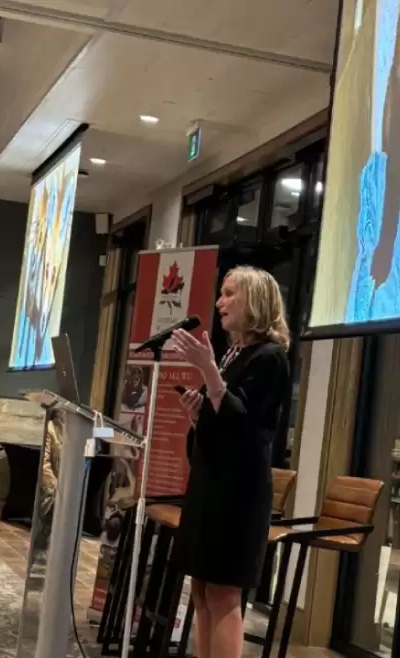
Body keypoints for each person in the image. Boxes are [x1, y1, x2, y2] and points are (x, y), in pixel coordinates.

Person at [171, 265, 291, 658]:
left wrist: (208, 370)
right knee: (202, 592)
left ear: (254, 300)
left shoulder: (271, 358)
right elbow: (222, 424)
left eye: (229, 293)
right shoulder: (232, 354)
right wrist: (197, 416)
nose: (219, 302)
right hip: (211, 484)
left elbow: (247, 428)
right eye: (220, 293)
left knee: (224, 595)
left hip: (238, 495)